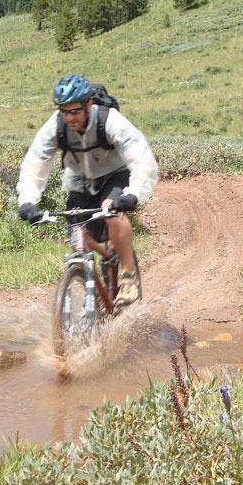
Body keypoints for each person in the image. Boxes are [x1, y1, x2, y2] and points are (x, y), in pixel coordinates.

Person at [17, 74, 158, 309]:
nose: (69, 117)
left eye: (75, 111)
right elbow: (36, 162)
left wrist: (133, 194)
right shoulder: (56, 126)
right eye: (64, 111)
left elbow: (141, 157)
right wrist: (28, 201)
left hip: (114, 174)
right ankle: (86, 280)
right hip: (79, 180)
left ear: (89, 104)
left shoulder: (109, 120)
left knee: (111, 212)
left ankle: (128, 275)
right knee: (78, 237)